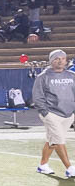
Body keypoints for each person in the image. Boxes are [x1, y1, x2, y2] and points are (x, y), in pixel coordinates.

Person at [33, 49, 75, 178]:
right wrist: (45, 113)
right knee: (59, 140)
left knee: (52, 140)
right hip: (51, 114)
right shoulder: (43, 77)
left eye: (63, 58)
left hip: (68, 114)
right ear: (51, 61)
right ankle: (70, 168)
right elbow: (37, 97)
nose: (60, 61)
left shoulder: (72, 75)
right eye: (57, 58)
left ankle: (43, 165)